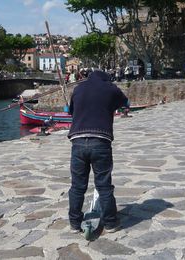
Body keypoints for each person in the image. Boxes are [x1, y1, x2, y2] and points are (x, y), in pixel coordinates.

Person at [67, 69, 129, 234]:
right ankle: (110, 223)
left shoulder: (78, 89)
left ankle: (74, 223)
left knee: (77, 186)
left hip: (78, 141)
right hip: (100, 141)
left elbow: (71, 111)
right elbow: (125, 102)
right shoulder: (110, 88)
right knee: (103, 185)